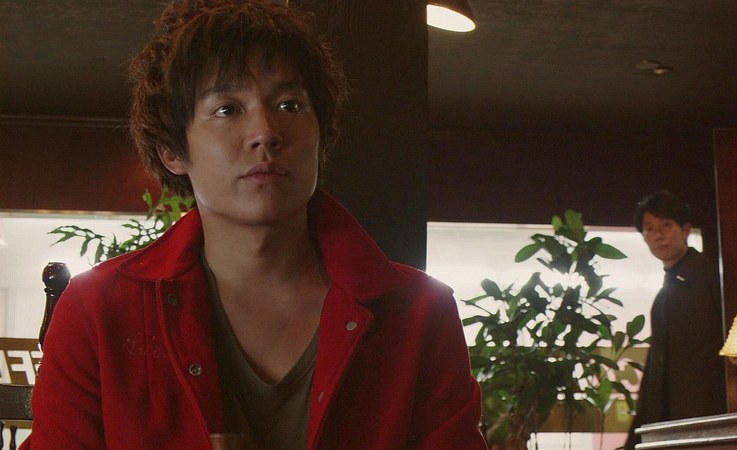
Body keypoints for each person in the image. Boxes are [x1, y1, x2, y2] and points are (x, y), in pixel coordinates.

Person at [23, 1, 487, 449]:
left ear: (321, 134)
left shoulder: (417, 313)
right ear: (173, 152)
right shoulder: (99, 310)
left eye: (289, 105)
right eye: (227, 109)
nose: (266, 131)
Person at [623, 190, 726, 450]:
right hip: (671, 422)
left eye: (667, 225)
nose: (658, 235)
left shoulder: (713, 277)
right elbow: (656, 368)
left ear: (686, 229)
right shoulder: (664, 295)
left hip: (710, 416)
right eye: (649, 229)